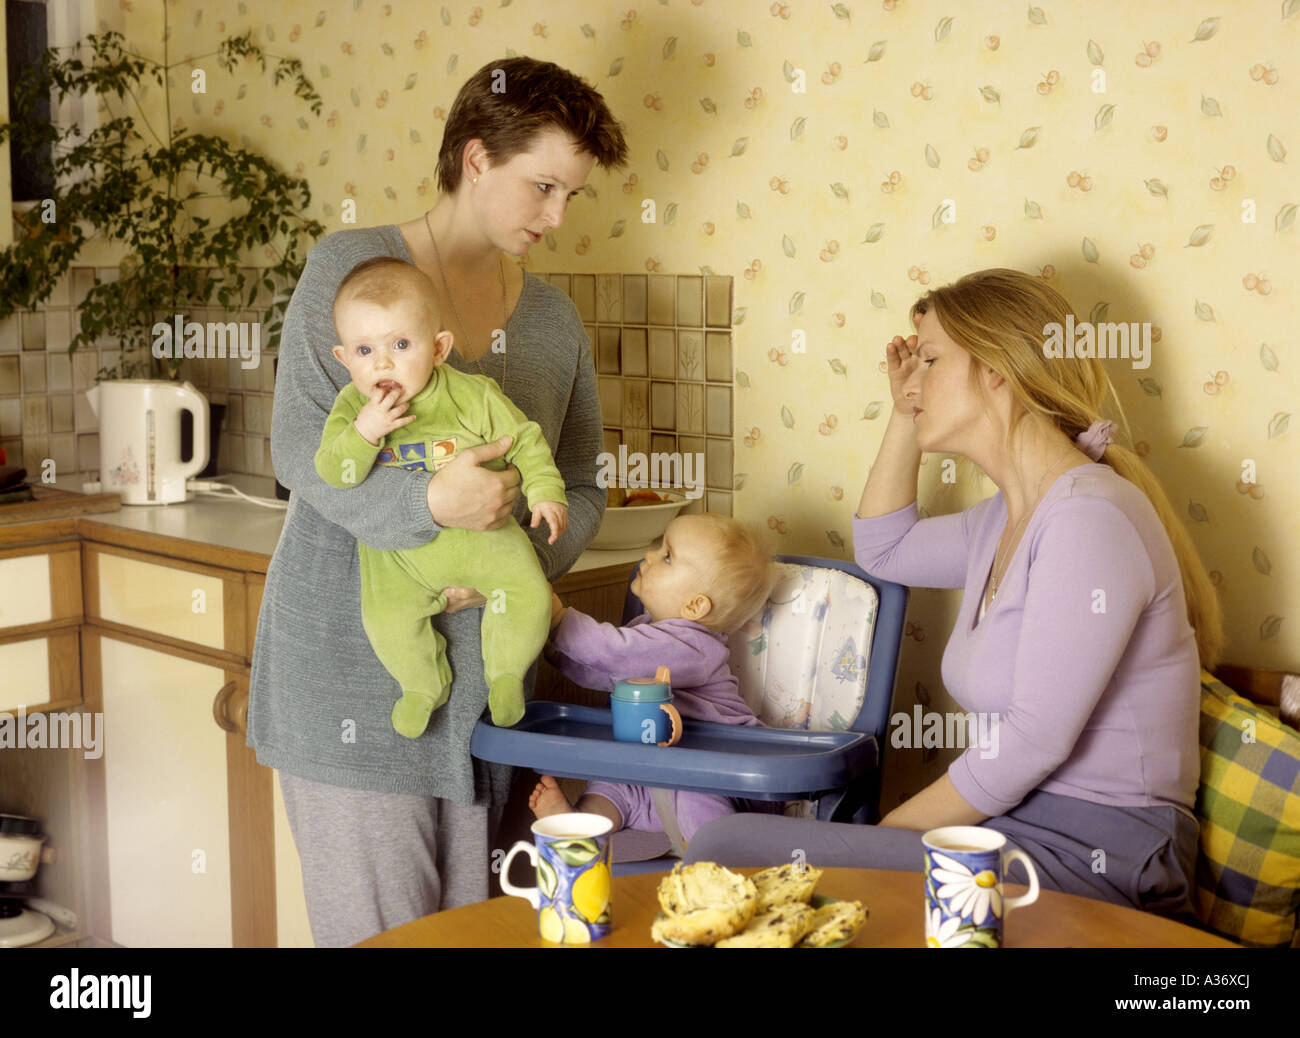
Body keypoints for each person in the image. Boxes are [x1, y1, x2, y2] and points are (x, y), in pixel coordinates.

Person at [685, 268, 1224, 921]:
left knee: (729, 849)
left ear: (997, 368)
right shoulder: (1002, 518)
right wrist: (905, 408)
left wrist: (873, 846)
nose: (914, 381)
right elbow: (882, 549)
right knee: (728, 850)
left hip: (1097, 857)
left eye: (931, 360)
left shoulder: (1089, 518)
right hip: (1010, 833)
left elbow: (1033, 738)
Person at [247, 57, 627, 947]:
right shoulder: (350, 273)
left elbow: (579, 485)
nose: (556, 217)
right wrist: (434, 510)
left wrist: (508, 561)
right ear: (474, 159)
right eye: (542, 188)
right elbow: (302, 452)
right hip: (348, 686)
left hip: (490, 710)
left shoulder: (552, 325)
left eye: (572, 196)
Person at [316, 257, 569, 735]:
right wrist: (364, 433)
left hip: (487, 538)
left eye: (401, 344)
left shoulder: (473, 395)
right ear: (344, 358)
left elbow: (525, 439)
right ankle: (421, 684)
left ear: (438, 349)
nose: (382, 363)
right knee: (386, 617)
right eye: (364, 349)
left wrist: (545, 492)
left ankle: (507, 674)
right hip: (399, 559)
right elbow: (333, 471)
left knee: (528, 594)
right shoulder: (351, 407)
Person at [528, 514, 777, 848]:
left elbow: (613, 653)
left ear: (695, 605)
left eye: (667, 556)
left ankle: (720, 858)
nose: (650, 555)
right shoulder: (646, 631)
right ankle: (578, 826)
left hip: (717, 774)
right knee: (611, 788)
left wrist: (559, 620)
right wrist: (558, 653)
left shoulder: (693, 646)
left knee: (692, 795)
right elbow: (611, 675)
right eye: (659, 547)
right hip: (652, 772)